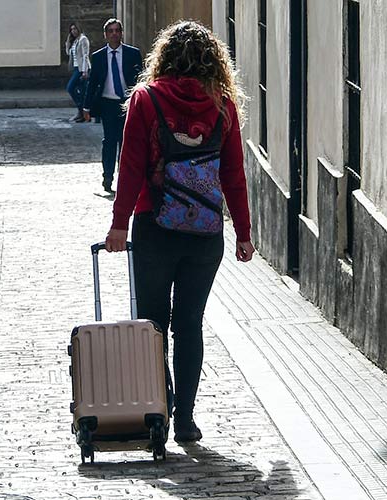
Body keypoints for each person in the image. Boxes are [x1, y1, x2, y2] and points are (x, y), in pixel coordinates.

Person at [105, 21, 256, 443]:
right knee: (190, 323)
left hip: (155, 226)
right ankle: (186, 419)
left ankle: (159, 410)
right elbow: (234, 175)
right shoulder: (222, 104)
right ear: (214, 62)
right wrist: (243, 232)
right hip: (206, 232)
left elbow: (131, 166)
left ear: (164, 58)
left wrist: (119, 224)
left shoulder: (146, 99)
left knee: (153, 322)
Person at [82, 18, 143, 192]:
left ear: (121, 33)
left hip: (127, 103)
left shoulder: (132, 54)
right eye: (111, 31)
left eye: (117, 30)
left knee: (126, 142)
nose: (114, 34)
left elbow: (141, 79)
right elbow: (92, 84)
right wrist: (86, 107)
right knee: (109, 141)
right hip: (108, 103)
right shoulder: (99, 56)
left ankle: (126, 178)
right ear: (105, 35)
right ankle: (107, 177)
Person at [65, 22, 91, 123]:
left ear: (79, 29)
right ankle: (83, 114)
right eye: (71, 29)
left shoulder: (83, 39)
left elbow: (85, 55)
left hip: (82, 69)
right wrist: (68, 43)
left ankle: (81, 111)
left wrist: (84, 71)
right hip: (76, 68)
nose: (73, 31)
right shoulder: (74, 40)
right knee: (82, 91)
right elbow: (70, 54)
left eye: (75, 29)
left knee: (70, 87)